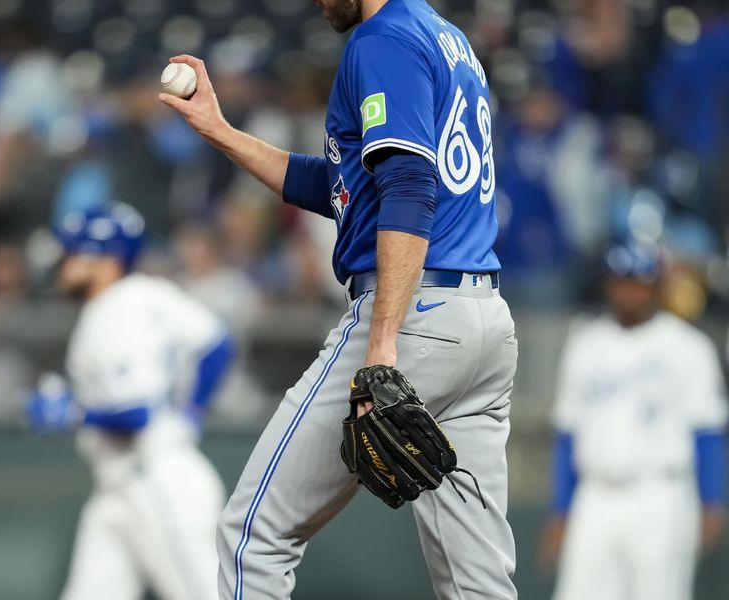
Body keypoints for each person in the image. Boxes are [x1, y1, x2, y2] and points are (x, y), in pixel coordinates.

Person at [159, 1, 518, 598]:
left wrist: (380, 346)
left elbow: (408, 184)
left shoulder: (382, 39)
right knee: (477, 582)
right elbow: (342, 189)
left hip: (412, 321)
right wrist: (221, 134)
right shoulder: (446, 39)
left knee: (255, 534)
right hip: (483, 324)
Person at [27, 202, 234, 600]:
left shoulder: (115, 311)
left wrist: (70, 411)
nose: (64, 263)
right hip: (121, 488)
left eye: (74, 253)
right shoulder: (146, 295)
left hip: (153, 480)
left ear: (107, 260)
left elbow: (136, 414)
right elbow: (217, 342)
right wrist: (190, 413)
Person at [540, 241, 728, 600]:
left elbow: (707, 432)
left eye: (637, 282)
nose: (628, 292)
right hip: (595, 495)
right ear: (608, 285)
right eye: (621, 281)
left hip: (660, 494)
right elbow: (567, 433)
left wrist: (711, 502)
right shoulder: (586, 343)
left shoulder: (688, 346)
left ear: (655, 287)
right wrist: (560, 511)